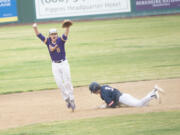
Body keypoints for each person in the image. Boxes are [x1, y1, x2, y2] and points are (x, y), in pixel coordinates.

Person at [32, 21, 75, 111]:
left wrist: (67, 27)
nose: (54, 35)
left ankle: (72, 99)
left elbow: (66, 34)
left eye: (55, 34)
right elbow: (38, 35)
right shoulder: (47, 41)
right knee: (59, 83)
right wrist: (35, 28)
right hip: (55, 65)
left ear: (57, 34)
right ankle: (67, 99)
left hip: (64, 64)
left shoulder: (60, 40)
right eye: (52, 34)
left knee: (67, 82)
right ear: (49, 35)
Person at [89, 82, 164, 109]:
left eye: (93, 91)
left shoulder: (103, 94)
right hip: (124, 95)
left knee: (139, 104)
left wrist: (106, 106)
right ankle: (153, 91)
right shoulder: (104, 86)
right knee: (143, 105)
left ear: (95, 90)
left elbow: (112, 105)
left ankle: (153, 94)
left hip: (122, 99)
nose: (94, 93)